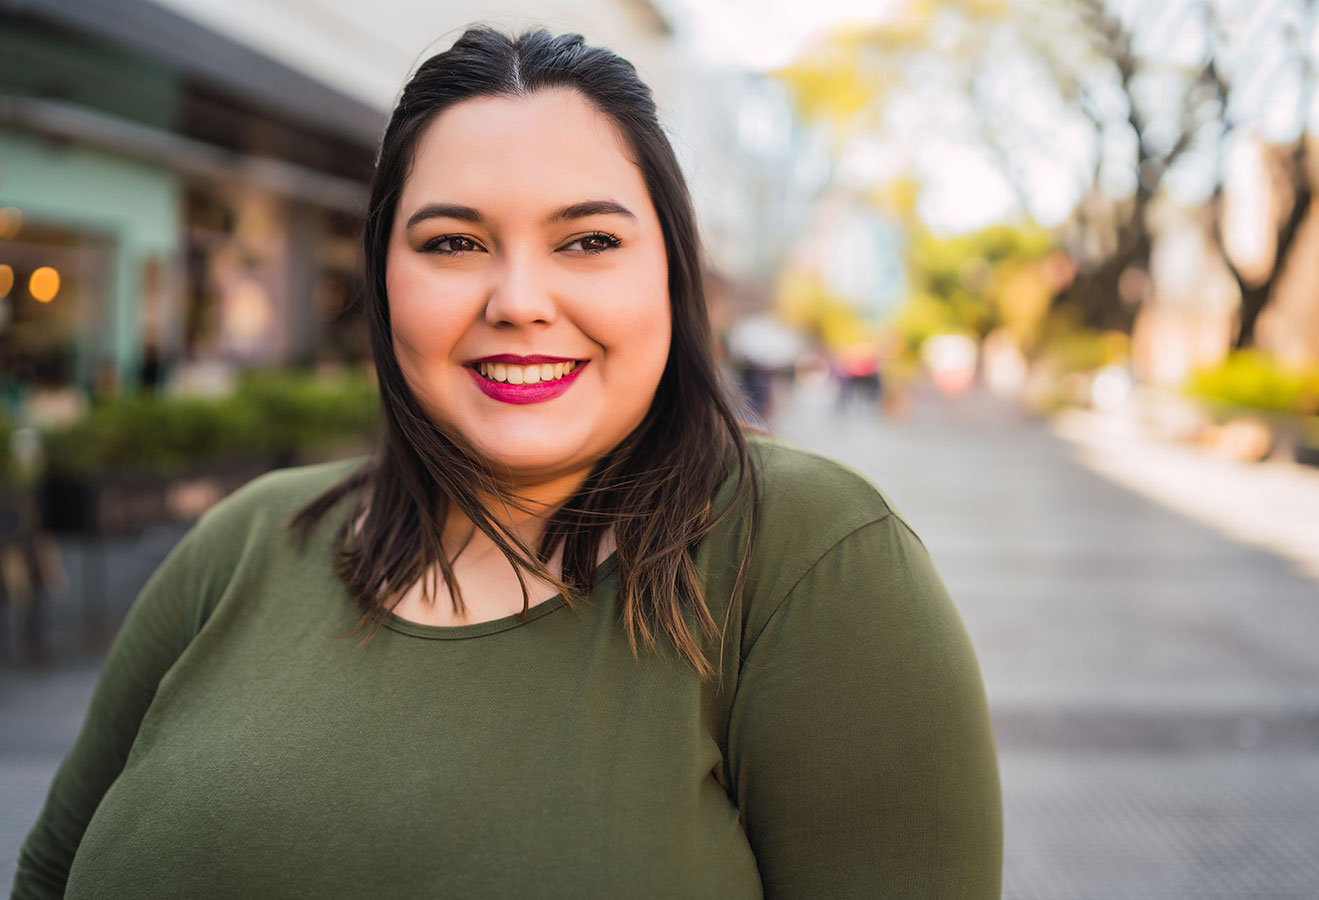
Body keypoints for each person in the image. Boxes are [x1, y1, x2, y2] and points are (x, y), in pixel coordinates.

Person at [13, 28, 1002, 900]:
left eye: (587, 240)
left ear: (669, 271)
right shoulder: (246, 539)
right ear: (382, 280)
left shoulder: (811, 560)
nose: (518, 299)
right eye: (452, 241)